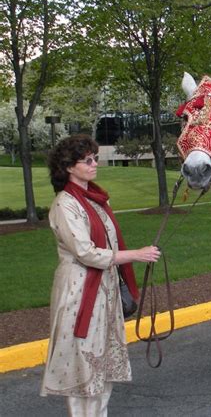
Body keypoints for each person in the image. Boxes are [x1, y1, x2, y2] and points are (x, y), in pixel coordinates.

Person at [40, 134, 160, 416]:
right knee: (82, 362)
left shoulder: (94, 200)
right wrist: (135, 255)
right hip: (79, 292)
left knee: (102, 362)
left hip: (103, 288)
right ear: (70, 167)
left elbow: (108, 243)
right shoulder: (65, 204)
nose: (96, 164)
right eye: (88, 160)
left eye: (96, 158)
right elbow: (86, 252)